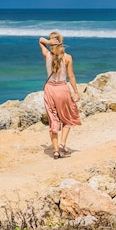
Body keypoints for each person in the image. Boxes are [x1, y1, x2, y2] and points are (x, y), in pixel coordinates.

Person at [39, 31, 81, 159]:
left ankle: (56, 151)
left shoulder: (47, 55)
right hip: (62, 89)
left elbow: (40, 40)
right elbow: (71, 76)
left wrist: (47, 42)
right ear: (61, 42)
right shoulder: (68, 58)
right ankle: (62, 144)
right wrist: (76, 92)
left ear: (51, 43)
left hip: (50, 90)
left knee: (53, 119)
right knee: (67, 118)